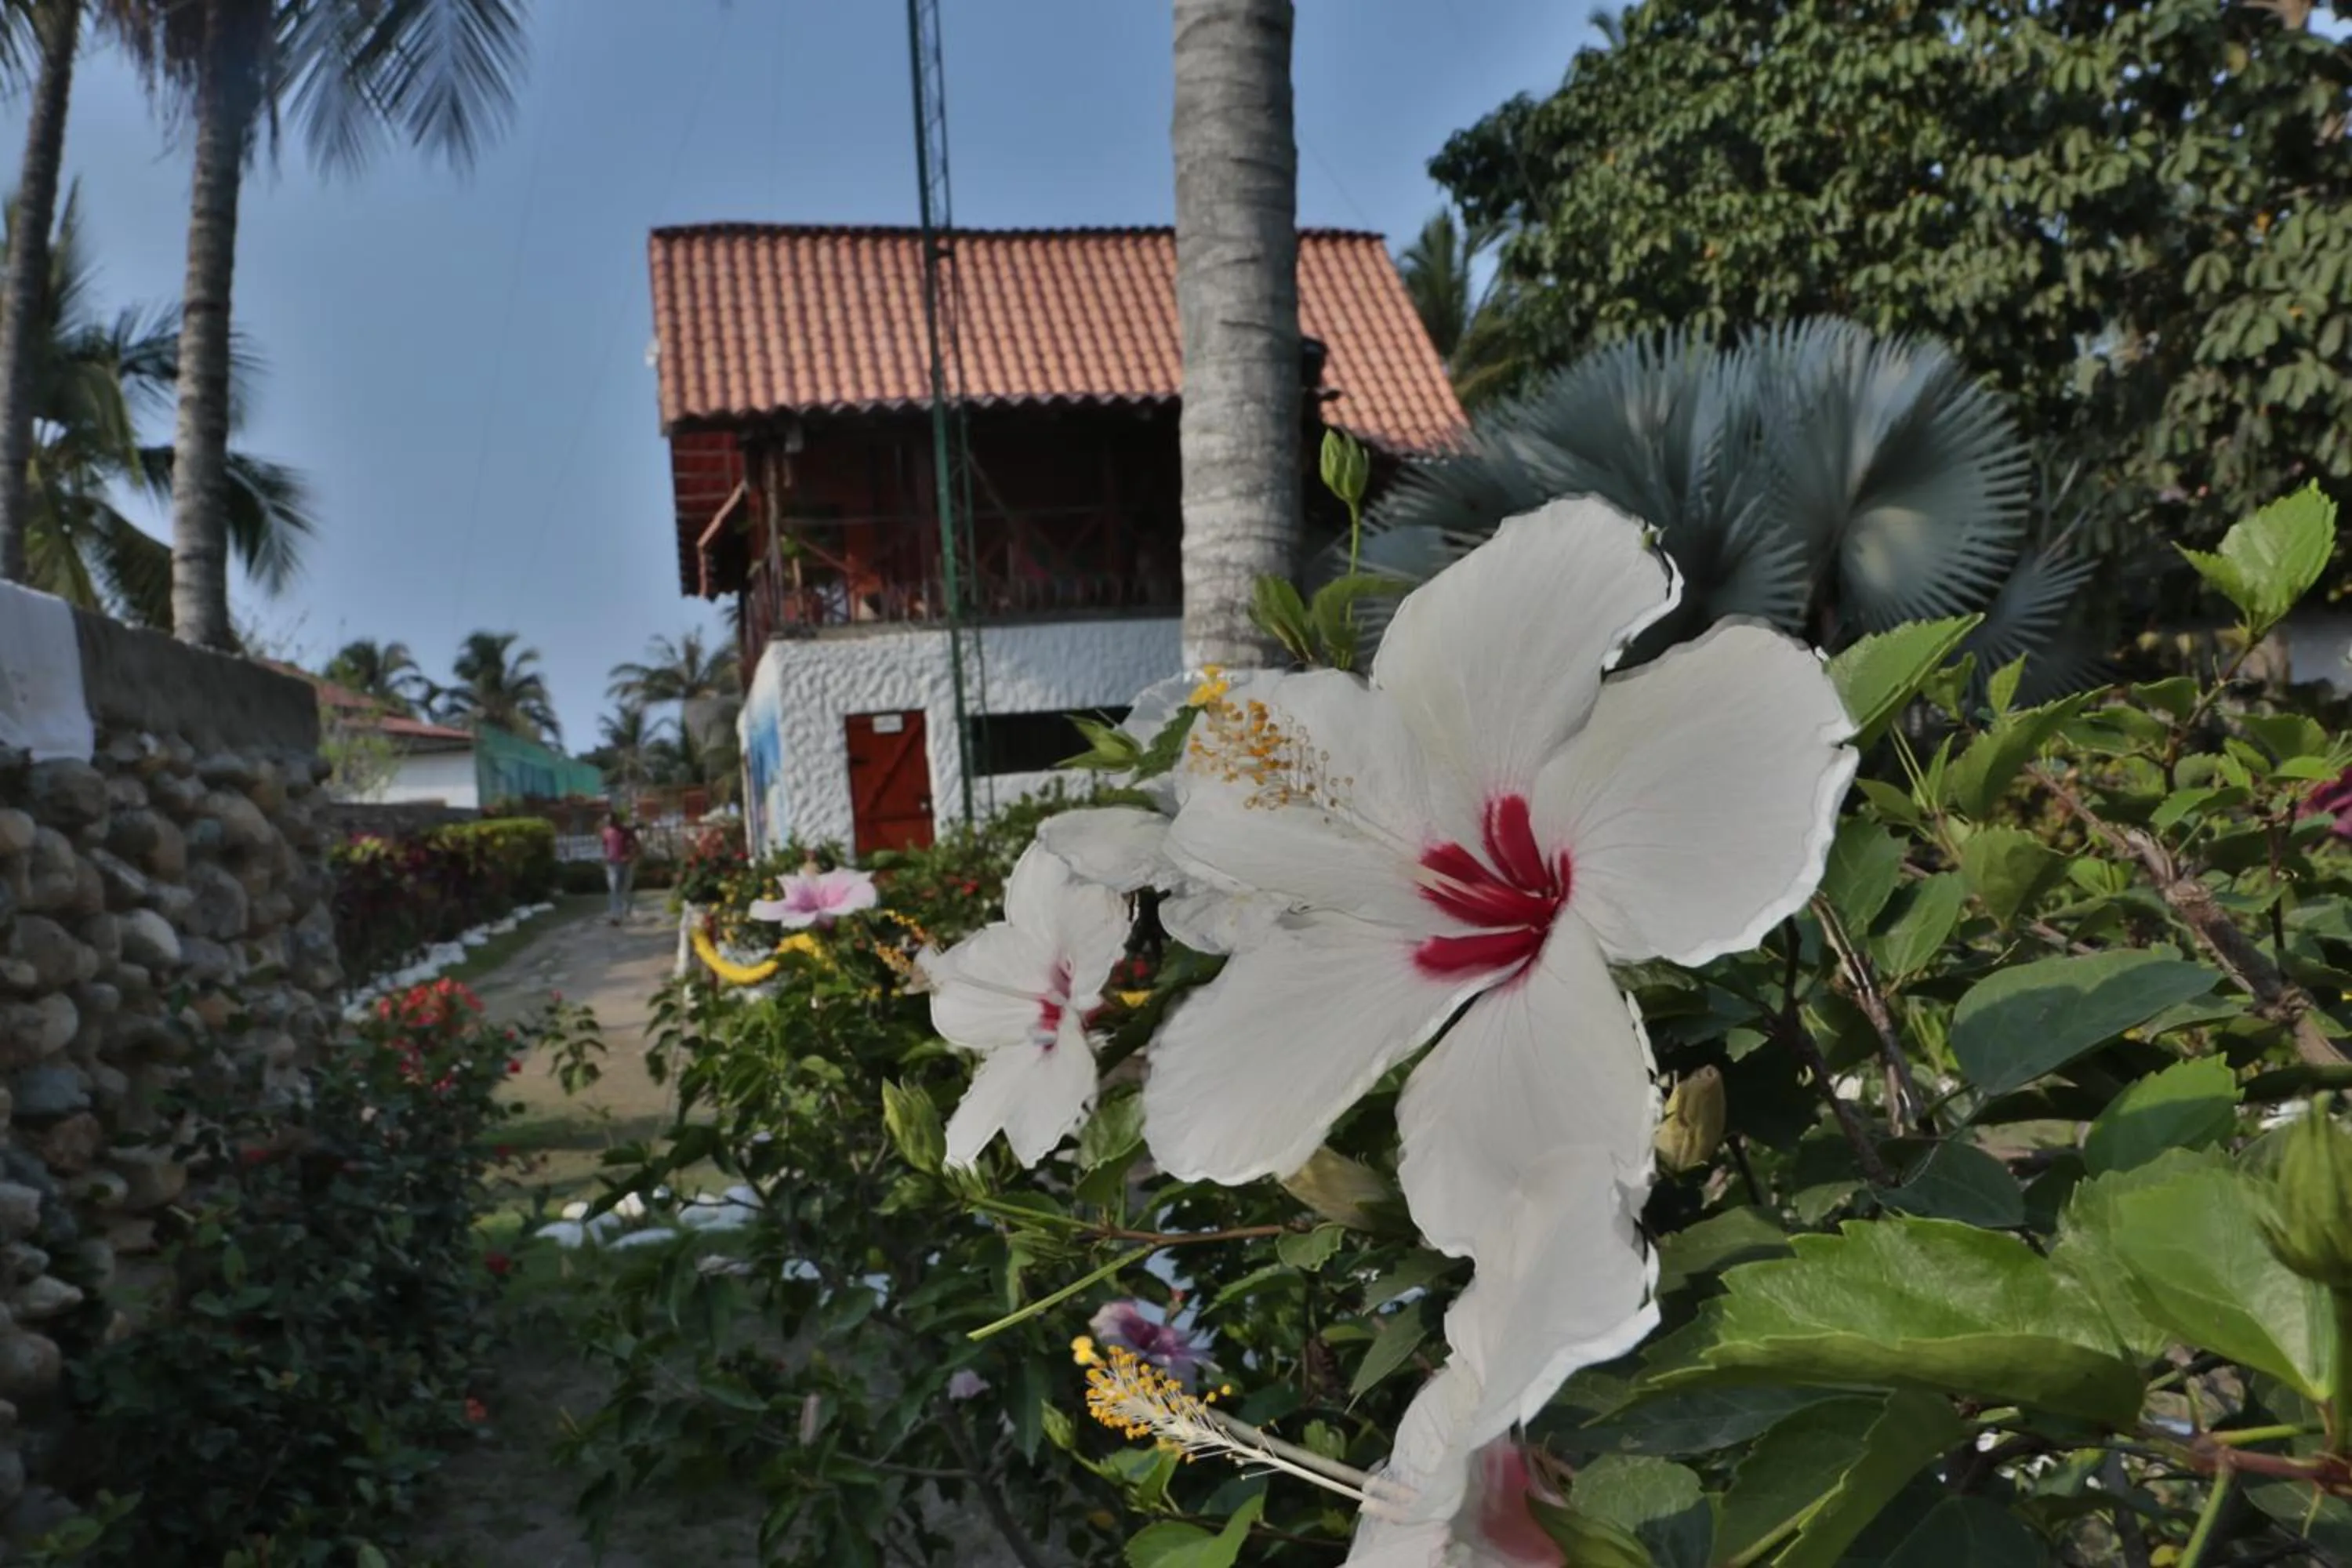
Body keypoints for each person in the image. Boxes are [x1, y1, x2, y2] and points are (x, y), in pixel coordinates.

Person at [601, 811, 641, 925]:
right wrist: (605, 857)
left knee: (626, 887)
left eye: (611, 821)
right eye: (608, 822)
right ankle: (616, 916)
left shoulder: (626, 831)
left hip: (625, 863)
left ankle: (628, 909)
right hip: (612, 864)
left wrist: (630, 856)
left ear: (616, 820)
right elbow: (605, 846)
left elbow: (636, 845)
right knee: (614, 889)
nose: (610, 823)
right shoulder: (606, 832)